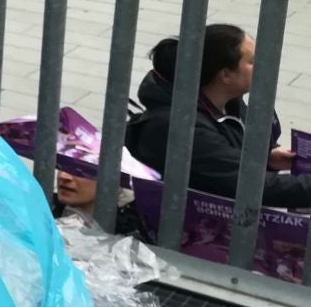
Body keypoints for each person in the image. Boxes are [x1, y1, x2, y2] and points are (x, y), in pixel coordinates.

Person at [126, 24, 311, 208]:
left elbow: (228, 161)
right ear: (225, 75)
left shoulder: (229, 102)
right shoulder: (183, 128)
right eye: (253, 62)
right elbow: (252, 186)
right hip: (182, 219)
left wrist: (267, 159)